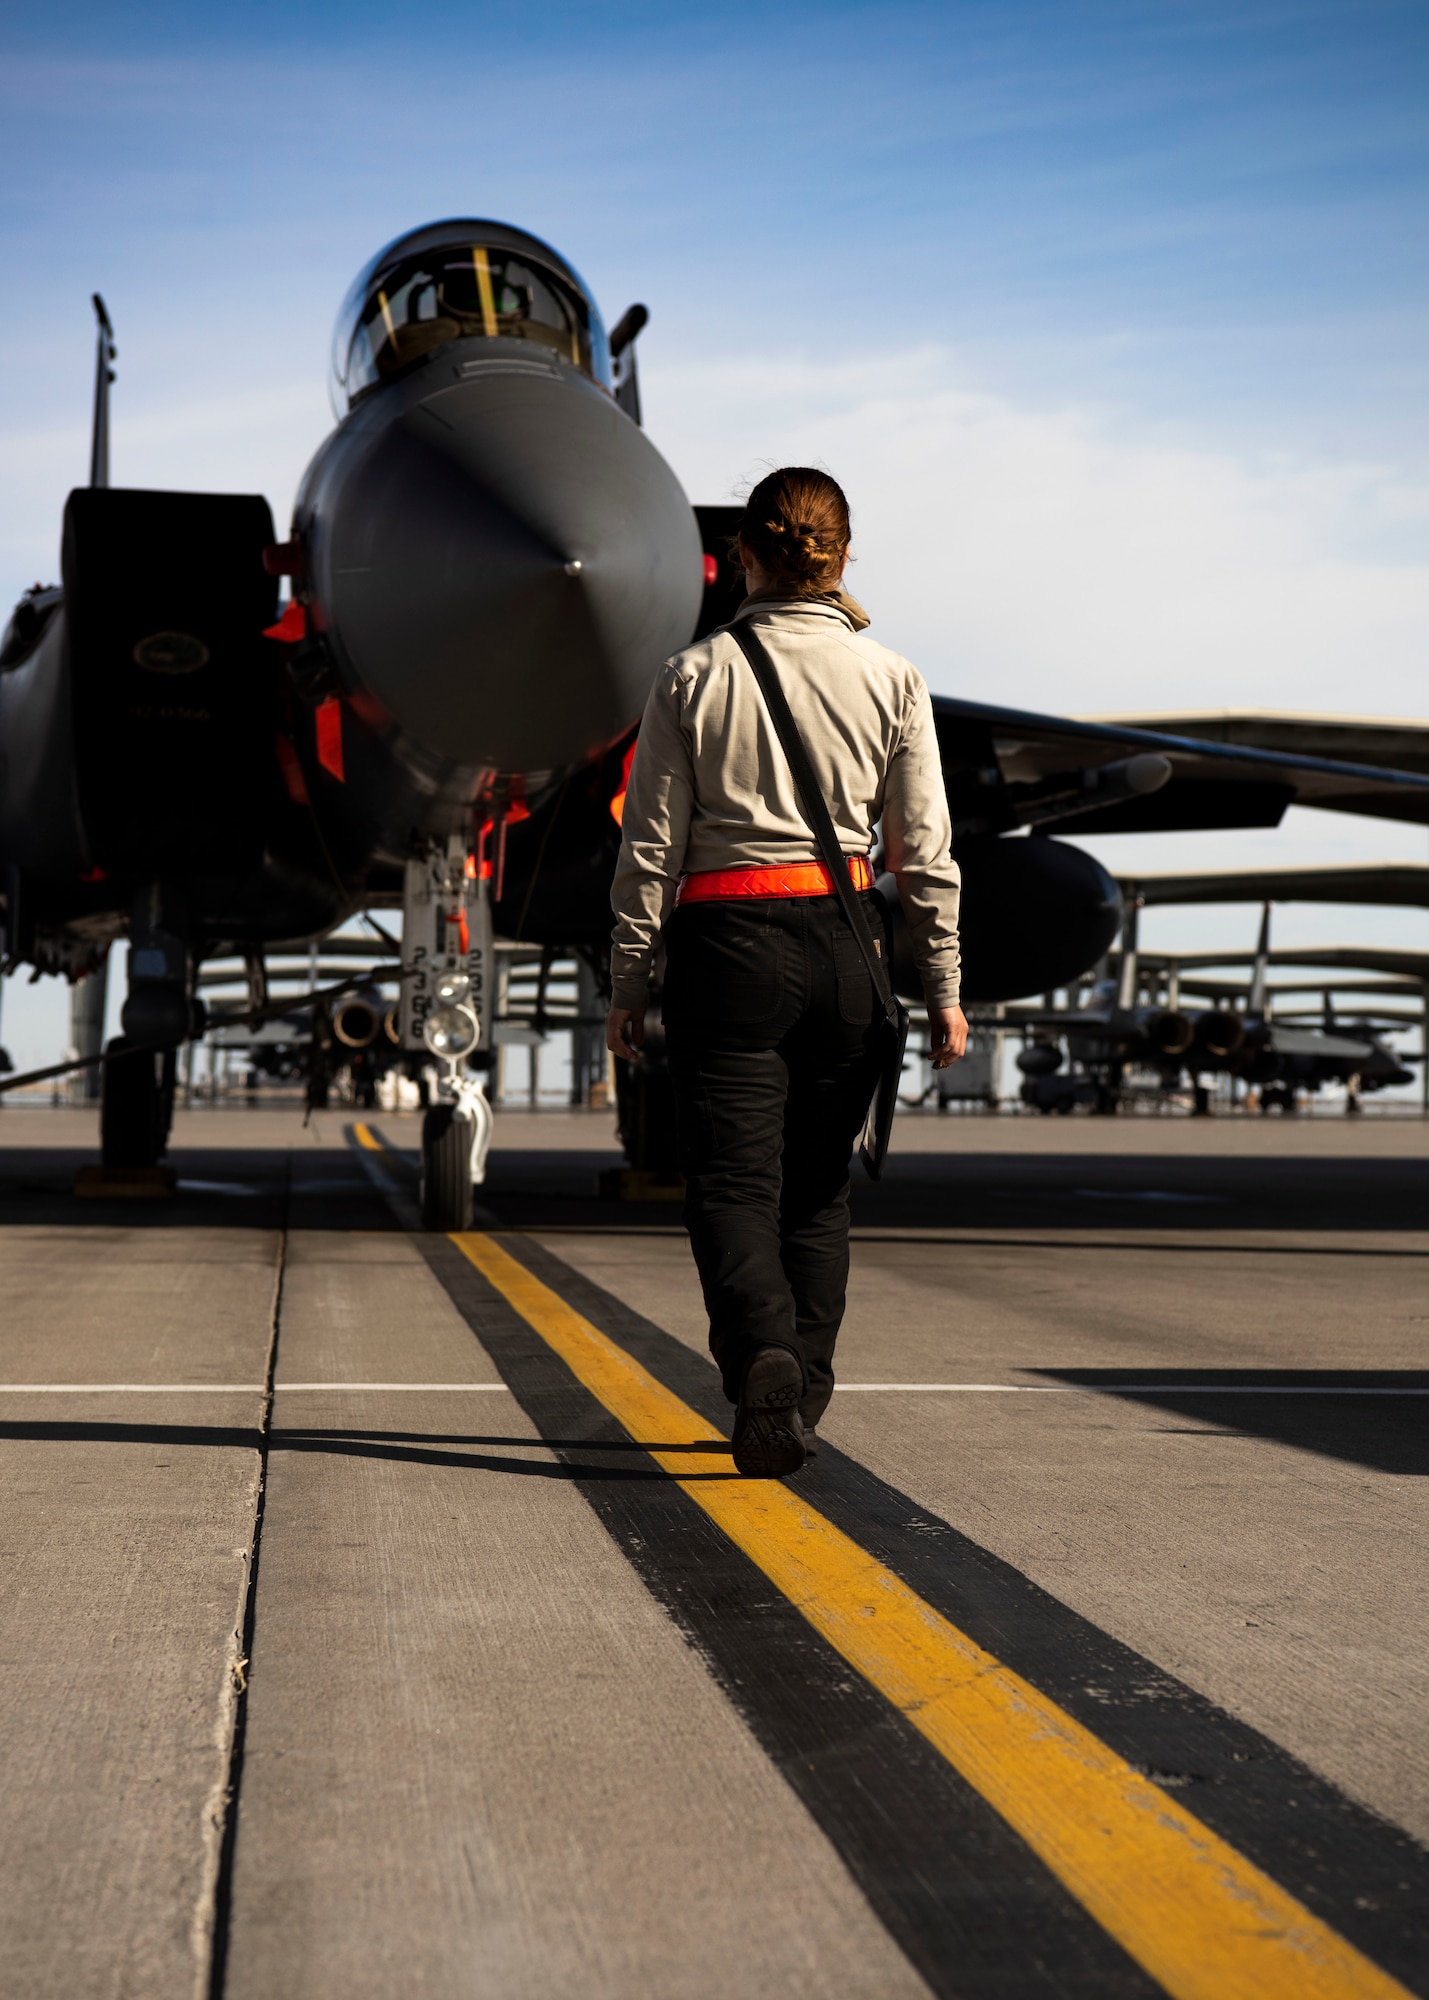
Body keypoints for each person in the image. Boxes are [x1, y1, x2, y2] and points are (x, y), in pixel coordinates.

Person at [607, 467, 965, 1477]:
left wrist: (629, 980)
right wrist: (940, 985)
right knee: (816, 1191)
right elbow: (925, 851)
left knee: (730, 1182)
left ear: (738, 560)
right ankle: (798, 1384)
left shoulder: (690, 677)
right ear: (843, 554)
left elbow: (649, 849)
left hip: (728, 944)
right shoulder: (893, 676)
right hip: (850, 942)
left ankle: (760, 1354)